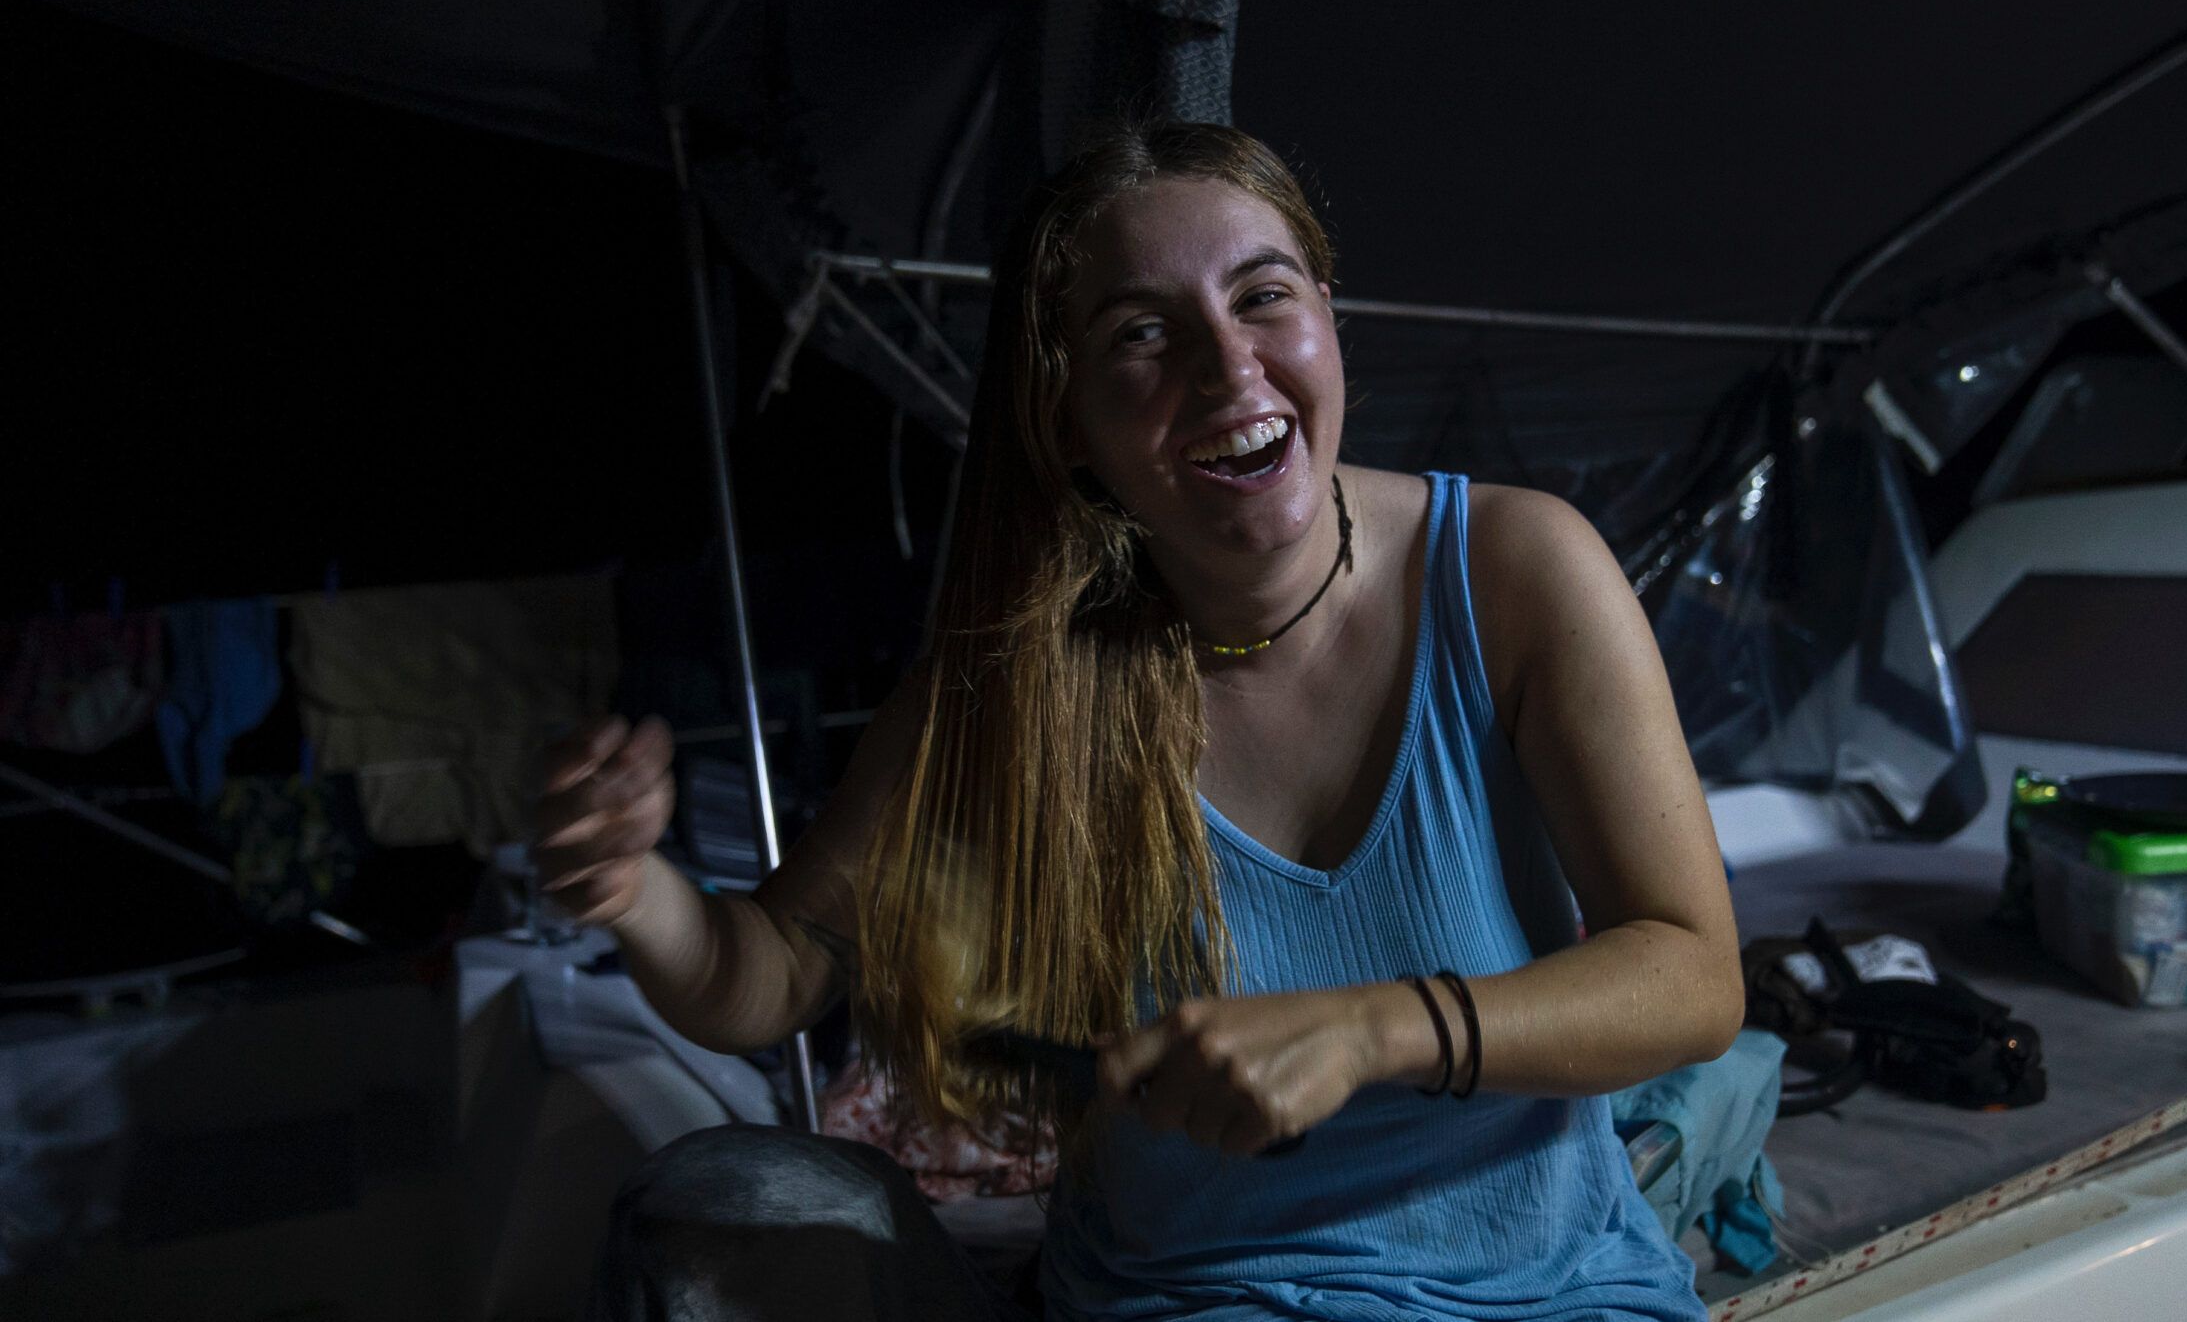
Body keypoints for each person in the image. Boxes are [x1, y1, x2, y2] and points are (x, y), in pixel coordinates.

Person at [536, 121, 1745, 1321]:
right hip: (1194, 1303)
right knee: (712, 1193)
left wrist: (1374, 1027)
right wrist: (632, 885)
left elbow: (1692, 975)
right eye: (1142, 336)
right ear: (1069, 419)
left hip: (1549, 1298)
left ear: (1328, 314)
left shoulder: (1515, 568)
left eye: (1263, 297)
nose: (1229, 371)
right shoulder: (1013, 686)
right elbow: (772, 972)